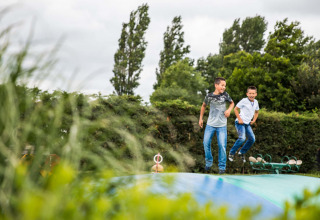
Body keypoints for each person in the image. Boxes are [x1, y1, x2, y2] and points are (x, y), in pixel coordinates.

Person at [199, 77, 234, 174]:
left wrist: (228, 110)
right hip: (210, 124)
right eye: (222, 85)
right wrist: (201, 118)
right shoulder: (209, 96)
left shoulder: (225, 95)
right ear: (216, 85)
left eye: (225, 86)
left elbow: (232, 103)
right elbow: (203, 106)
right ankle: (209, 163)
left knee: (222, 145)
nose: (224, 87)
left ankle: (222, 167)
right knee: (206, 143)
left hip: (222, 125)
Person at [228, 86, 259, 163]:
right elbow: (235, 109)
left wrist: (254, 120)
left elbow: (257, 111)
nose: (251, 95)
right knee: (242, 138)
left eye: (253, 93)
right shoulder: (244, 100)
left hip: (247, 123)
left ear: (256, 94)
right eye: (250, 93)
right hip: (240, 123)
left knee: (252, 139)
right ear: (247, 94)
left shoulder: (256, 102)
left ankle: (241, 152)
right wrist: (239, 119)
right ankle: (231, 153)